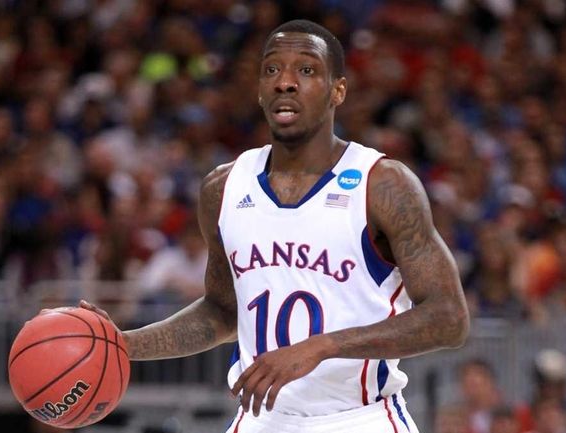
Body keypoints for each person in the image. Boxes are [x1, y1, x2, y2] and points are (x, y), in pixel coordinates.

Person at [82, 19, 469, 432]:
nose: (285, 82)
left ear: (338, 89)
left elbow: (449, 318)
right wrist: (124, 344)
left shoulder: (383, 184)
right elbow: (222, 312)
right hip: (260, 421)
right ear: (260, 90)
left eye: (306, 70)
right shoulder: (223, 187)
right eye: (272, 70)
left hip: (359, 419)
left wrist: (324, 347)